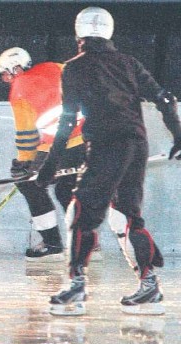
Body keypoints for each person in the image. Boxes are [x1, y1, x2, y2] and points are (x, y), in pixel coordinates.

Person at [37, 7, 181, 316]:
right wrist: (178, 135)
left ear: (79, 35)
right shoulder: (128, 63)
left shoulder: (74, 68)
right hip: (136, 143)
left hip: (106, 144)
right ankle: (149, 287)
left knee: (80, 212)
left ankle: (76, 286)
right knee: (128, 216)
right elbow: (165, 98)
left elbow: (66, 122)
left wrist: (49, 165)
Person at [0, 47, 87, 262]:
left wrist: (23, 164)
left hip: (60, 146)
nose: (4, 79)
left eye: (5, 73)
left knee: (29, 184)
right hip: (85, 140)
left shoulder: (19, 89)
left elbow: (26, 134)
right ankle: (87, 244)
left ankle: (52, 244)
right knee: (66, 189)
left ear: (16, 69)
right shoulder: (55, 66)